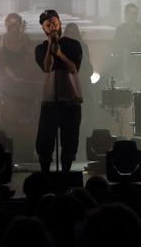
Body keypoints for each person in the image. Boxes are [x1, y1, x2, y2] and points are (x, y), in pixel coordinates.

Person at [34, 9, 83, 174]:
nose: (52, 26)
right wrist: (50, 47)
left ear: (60, 23)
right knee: (45, 141)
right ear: (44, 28)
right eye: (48, 25)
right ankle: (45, 175)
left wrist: (60, 53)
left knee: (69, 141)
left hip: (71, 100)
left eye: (54, 23)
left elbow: (74, 69)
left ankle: (66, 174)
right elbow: (47, 67)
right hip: (50, 100)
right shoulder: (40, 49)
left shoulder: (73, 45)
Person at [112, 3, 141, 86]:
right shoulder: (120, 29)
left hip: (140, 63)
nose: (133, 15)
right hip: (124, 63)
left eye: (135, 13)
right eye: (131, 12)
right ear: (126, 13)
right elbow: (116, 46)